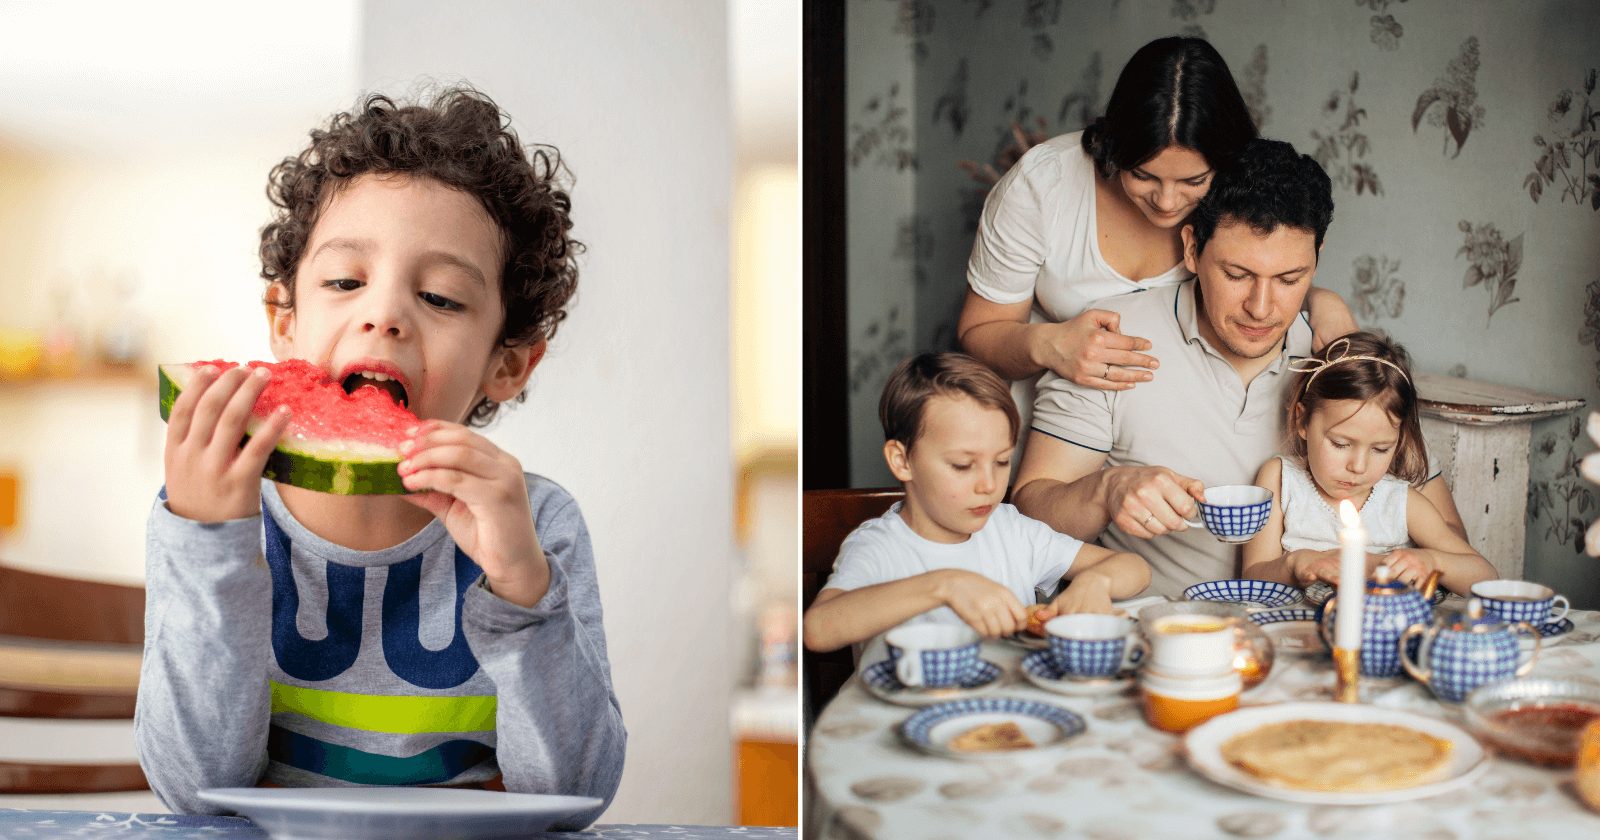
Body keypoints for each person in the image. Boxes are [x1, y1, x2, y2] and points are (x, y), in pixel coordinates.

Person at [135, 87, 624, 827]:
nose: (385, 313)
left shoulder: (537, 525)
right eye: (343, 282)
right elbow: (191, 786)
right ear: (285, 320)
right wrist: (210, 546)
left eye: (441, 297)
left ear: (510, 364)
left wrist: (525, 588)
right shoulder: (216, 512)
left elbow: (574, 796)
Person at [1011, 138, 1466, 599]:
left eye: (1290, 279)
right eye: (1236, 275)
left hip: (1311, 635)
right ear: (1192, 249)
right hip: (1163, 627)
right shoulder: (1113, 338)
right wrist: (1105, 491)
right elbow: (1030, 511)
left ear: (1317, 259)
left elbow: (1451, 543)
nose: (1261, 308)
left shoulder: (1338, 357)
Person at [958, 37, 1357, 432]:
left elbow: (1263, 265)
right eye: (1143, 175)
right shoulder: (1043, 186)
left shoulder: (1230, 197)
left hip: (1166, 429)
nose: (1167, 202)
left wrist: (1319, 299)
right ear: (1115, 149)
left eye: (1192, 180)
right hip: (1048, 427)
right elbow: (979, 332)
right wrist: (1048, 344)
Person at [802, 353, 1151, 654]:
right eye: (963, 465)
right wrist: (944, 585)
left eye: (1001, 462)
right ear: (902, 460)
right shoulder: (881, 547)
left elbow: (1134, 568)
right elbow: (817, 630)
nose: (988, 485)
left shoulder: (1011, 531)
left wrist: (1097, 582)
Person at [1241, 332, 1495, 594]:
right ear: (1302, 421)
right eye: (1340, 444)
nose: (1358, 466)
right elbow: (1252, 578)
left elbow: (1486, 578)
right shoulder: (1281, 480)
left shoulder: (1400, 502)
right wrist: (1293, 563)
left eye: (1380, 449)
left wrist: (1433, 561)